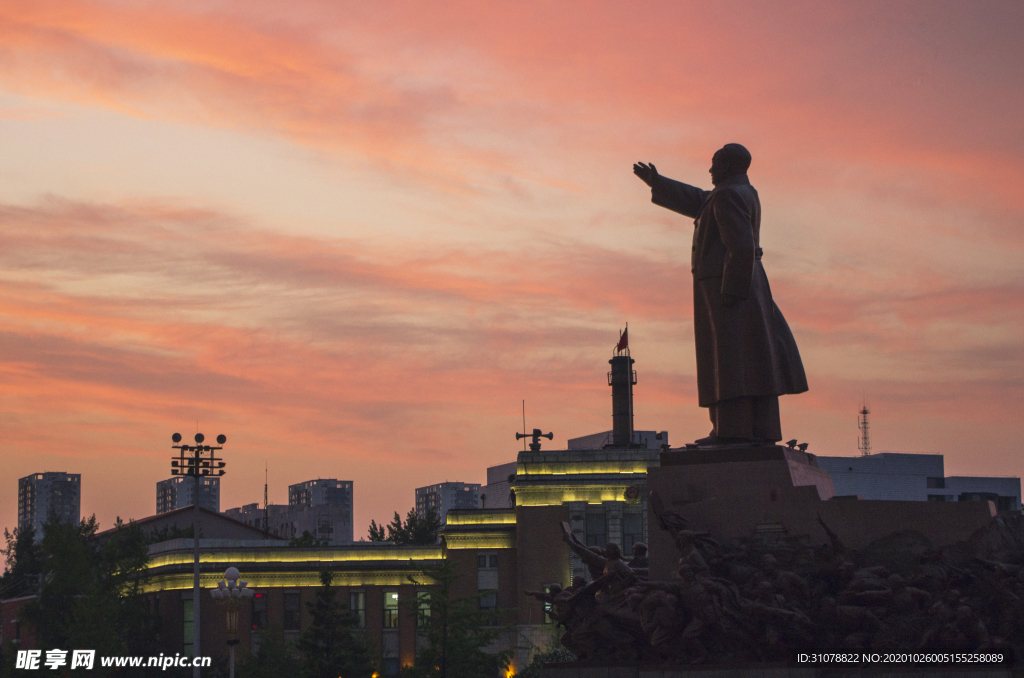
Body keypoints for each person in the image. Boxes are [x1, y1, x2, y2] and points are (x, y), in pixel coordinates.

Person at [633, 144, 807, 443]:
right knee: (753, 360)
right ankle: (757, 429)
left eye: (714, 163)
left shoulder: (728, 195)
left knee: (729, 360)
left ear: (726, 166)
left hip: (729, 286)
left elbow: (741, 247)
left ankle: (732, 431)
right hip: (746, 284)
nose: (710, 169)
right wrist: (658, 183)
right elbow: (700, 200)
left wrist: (731, 291)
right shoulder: (741, 192)